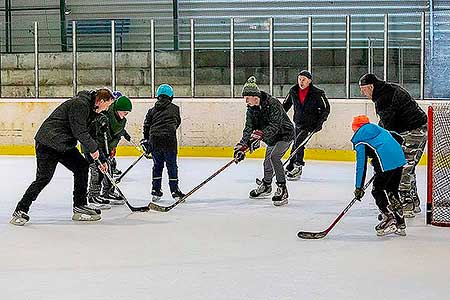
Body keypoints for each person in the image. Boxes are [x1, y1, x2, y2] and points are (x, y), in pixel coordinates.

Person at [10, 88, 114, 226]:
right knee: (43, 178)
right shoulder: (80, 104)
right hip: (48, 143)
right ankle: (20, 209)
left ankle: (80, 205)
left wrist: (101, 158)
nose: (107, 109)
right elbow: (80, 132)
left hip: (64, 145)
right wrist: (93, 150)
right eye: (107, 105)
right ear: (101, 101)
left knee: (82, 167)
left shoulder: (92, 111)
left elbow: (92, 136)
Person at [359, 73, 427, 217]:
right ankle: (413, 203)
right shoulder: (385, 91)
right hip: (412, 129)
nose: (362, 92)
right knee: (407, 167)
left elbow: (387, 129)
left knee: (403, 169)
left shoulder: (384, 97)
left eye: (363, 89)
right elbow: (385, 124)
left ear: (371, 87)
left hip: (414, 131)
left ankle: (406, 205)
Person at [234, 76, 294, 206]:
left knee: (274, 157)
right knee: (267, 162)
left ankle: (282, 189)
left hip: (285, 134)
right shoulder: (251, 109)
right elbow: (248, 128)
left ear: (255, 97)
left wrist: (261, 135)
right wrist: (242, 146)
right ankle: (266, 186)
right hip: (271, 138)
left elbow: (276, 124)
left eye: (247, 98)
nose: (246, 101)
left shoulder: (273, 103)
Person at [351, 115, 407, 236]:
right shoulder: (380, 129)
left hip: (385, 163)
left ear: (355, 128)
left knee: (377, 190)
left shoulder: (359, 139)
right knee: (392, 190)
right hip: (399, 159)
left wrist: (359, 187)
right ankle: (400, 223)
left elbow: (361, 165)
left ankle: (389, 218)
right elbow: (399, 138)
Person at [83, 95, 133, 209]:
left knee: (108, 168)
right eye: (124, 112)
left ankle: (108, 191)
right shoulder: (104, 115)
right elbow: (96, 135)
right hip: (93, 147)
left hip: (105, 148)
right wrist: (97, 151)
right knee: (97, 171)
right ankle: (93, 195)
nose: (125, 114)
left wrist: (111, 148)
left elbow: (116, 136)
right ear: (117, 110)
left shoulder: (120, 121)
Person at [282, 70, 330, 180]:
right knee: (297, 144)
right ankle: (291, 165)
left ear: (309, 81)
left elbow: (326, 108)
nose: (301, 82)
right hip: (298, 122)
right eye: (299, 79)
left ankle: (298, 166)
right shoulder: (293, 91)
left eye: (304, 79)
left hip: (311, 124)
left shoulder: (317, 93)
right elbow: (285, 105)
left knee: (298, 143)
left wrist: (320, 122)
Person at [141, 84, 185, 202]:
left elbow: (146, 125)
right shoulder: (175, 108)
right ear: (171, 96)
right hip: (169, 140)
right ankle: (175, 191)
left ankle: (156, 191)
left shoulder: (152, 110)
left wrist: (146, 140)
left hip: (154, 140)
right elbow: (177, 122)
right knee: (172, 166)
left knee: (157, 166)